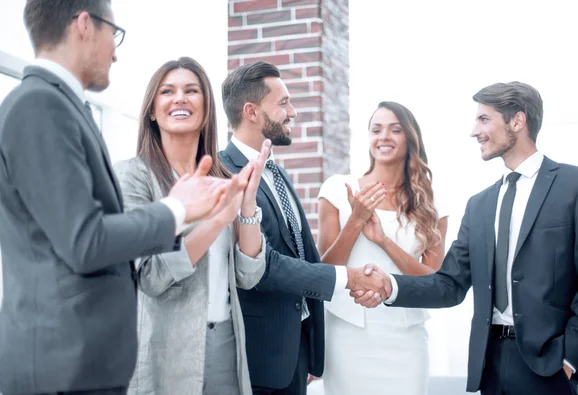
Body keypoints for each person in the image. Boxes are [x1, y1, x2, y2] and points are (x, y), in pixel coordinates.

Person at [0, 2, 241, 394]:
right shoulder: (40, 105)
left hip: (80, 365)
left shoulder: (61, 106)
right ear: (84, 25)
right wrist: (176, 210)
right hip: (60, 368)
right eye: (114, 33)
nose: (115, 51)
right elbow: (85, 241)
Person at [355, 82, 578, 395]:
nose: (475, 131)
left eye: (484, 119)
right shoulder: (479, 205)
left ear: (517, 121)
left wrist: (570, 358)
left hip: (549, 367)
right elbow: (449, 284)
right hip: (490, 367)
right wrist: (390, 285)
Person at [220, 60, 390, 395]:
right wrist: (351, 278)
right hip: (257, 360)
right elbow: (264, 267)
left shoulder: (277, 174)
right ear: (251, 112)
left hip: (295, 352)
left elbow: (304, 255)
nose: (292, 112)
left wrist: (310, 346)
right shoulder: (224, 174)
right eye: (283, 103)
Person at [114, 57, 267, 395]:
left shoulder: (224, 180)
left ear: (207, 108)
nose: (180, 98)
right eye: (167, 91)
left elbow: (248, 274)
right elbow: (150, 277)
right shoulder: (133, 177)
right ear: (152, 111)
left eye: (191, 90)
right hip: (161, 348)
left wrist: (247, 205)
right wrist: (216, 221)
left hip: (225, 344)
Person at [317, 101, 448, 395]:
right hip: (347, 334)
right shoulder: (338, 188)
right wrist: (357, 219)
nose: (384, 136)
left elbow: (435, 283)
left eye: (395, 129)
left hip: (406, 337)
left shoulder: (431, 203)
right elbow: (323, 271)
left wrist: (383, 241)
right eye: (376, 129)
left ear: (410, 138)